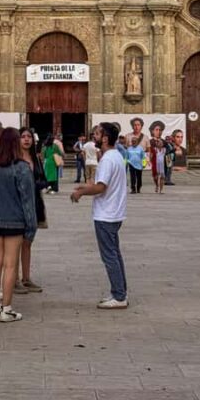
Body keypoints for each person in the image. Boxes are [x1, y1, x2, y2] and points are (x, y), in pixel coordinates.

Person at [71, 122, 128, 309]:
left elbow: (101, 187)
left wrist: (80, 193)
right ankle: (119, 292)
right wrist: (84, 187)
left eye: (96, 133)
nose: (93, 136)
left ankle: (119, 296)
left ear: (104, 138)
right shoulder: (116, 156)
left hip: (106, 214)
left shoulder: (107, 159)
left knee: (109, 256)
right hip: (115, 212)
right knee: (115, 254)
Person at [0, 127, 37, 323]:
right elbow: (27, 201)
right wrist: (31, 227)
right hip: (14, 222)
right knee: (11, 265)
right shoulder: (21, 167)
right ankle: (7, 309)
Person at [15, 127, 47, 295]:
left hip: (34, 202)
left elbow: (41, 178)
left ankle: (26, 278)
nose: (26, 139)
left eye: (29, 137)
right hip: (17, 204)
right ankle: (14, 279)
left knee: (28, 242)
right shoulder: (14, 159)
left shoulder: (36, 158)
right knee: (15, 243)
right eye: (23, 137)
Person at [149, 121, 166, 194]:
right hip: (155, 164)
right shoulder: (152, 145)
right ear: (152, 131)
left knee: (162, 177)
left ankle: (161, 190)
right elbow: (150, 155)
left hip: (162, 165)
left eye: (160, 130)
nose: (159, 132)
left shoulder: (164, 147)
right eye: (156, 130)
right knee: (155, 177)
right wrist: (150, 161)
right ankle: (156, 185)